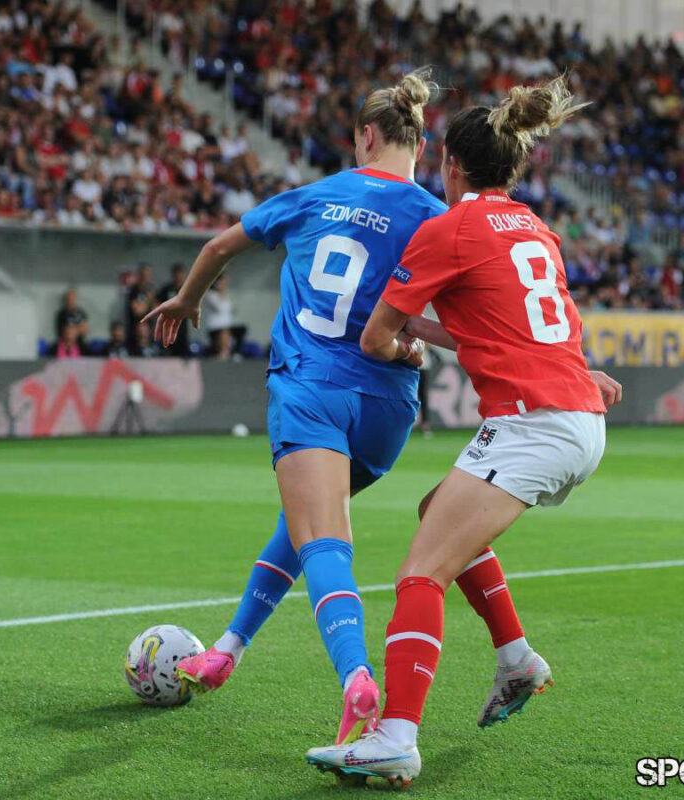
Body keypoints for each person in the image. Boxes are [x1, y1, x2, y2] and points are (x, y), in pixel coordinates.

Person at [143, 70, 537, 746]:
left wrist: (187, 300)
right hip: (387, 409)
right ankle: (229, 648)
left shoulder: (314, 195)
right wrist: (418, 347)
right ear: (420, 147)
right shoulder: (437, 217)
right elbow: (471, 321)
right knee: (304, 521)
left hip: (310, 389)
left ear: (366, 136)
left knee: (323, 537)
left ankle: (356, 677)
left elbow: (217, 247)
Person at [306, 76, 623, 786]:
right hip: (575, 411)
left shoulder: (449, 229)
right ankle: (516, 659)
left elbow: (375, 339)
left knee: (421, 573)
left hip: (534, 422)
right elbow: (516, 326)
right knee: (436, 513)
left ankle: (395, 737)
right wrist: (424, 332)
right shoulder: (533, 227)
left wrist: (402, 344)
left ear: (450, 165)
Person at [202, 275, 247, 357]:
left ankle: (236, 352)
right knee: (224, 333)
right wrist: (222, 293)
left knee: (242, 329)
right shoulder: (210, 295)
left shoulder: (227, 296)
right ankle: (223, 353)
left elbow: (232, 309)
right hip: (214, 327)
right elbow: (219, 307)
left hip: (226, 326)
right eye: (222, 282)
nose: (224, 285)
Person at [156, 263, 190, 357]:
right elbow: (157, 303)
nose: (179, 276)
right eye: (177, 274)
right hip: (167, 327)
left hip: (182, 328)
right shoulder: (167, 289)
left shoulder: (187, 290)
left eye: (181, 274)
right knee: (168, 352)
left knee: (182, 353)